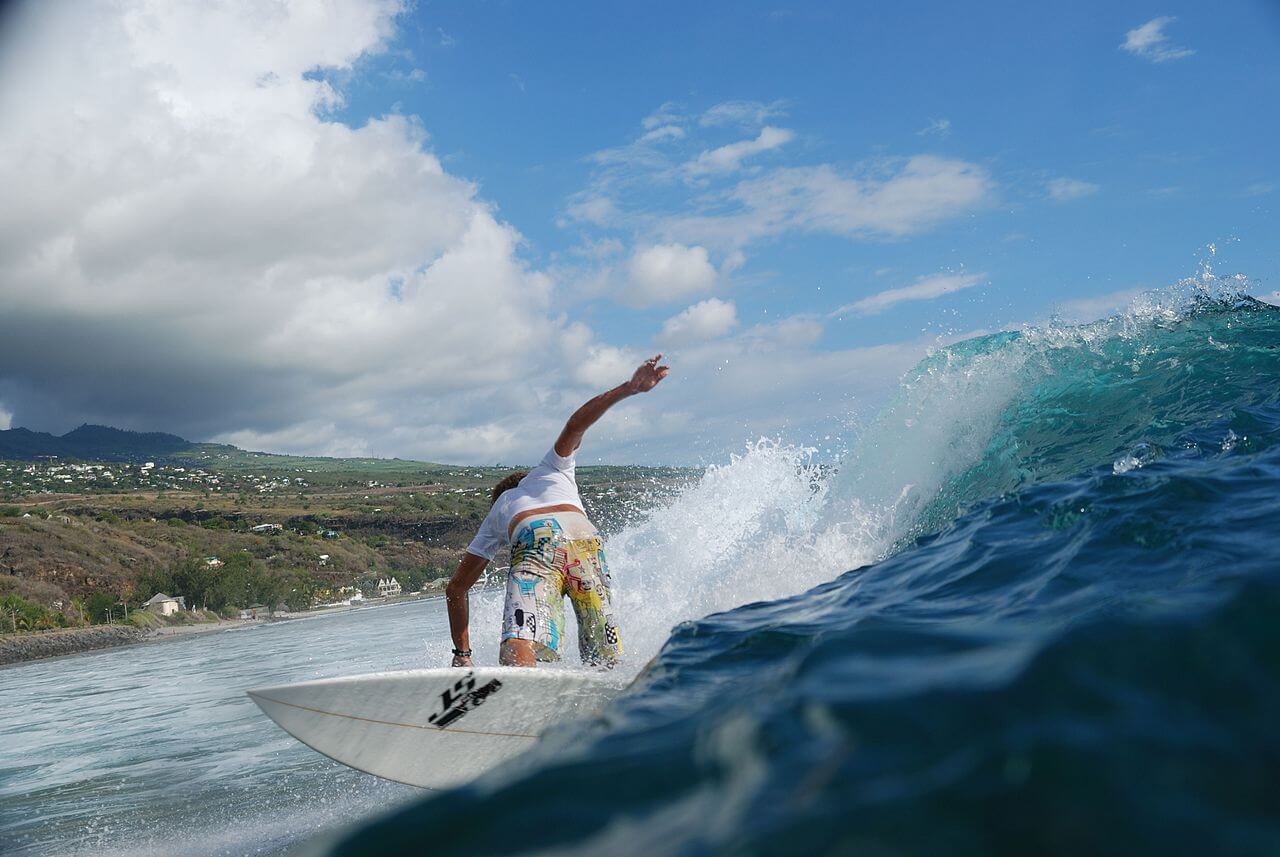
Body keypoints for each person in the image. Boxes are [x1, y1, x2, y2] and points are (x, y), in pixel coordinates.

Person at [445, 354, 670, 668]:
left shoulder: (502, 505)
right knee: (601, 648)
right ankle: (610, 684)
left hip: (538, 537)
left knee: (519, 641)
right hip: (586, 541)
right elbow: (576, 425)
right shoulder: (553, 470)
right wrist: (627, 389)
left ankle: (522, 693)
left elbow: (456, 588)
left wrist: (463, 654)